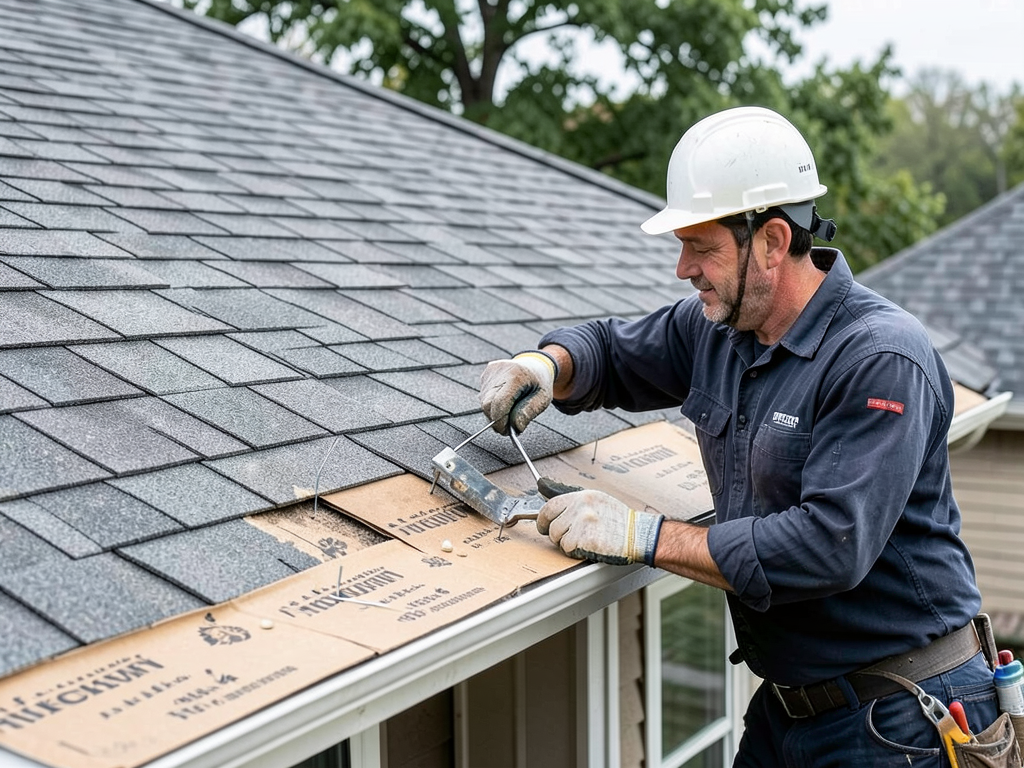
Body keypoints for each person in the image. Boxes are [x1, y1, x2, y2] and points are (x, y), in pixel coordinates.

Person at [478, 106, 1000, 766]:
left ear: (774, 241)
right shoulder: (721, 330)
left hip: (904, 718)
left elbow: (827, 545)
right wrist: (547, 367)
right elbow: (611, 349)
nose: (682, 268)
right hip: (792, 706)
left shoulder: (879, 360)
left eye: (702, 247)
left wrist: (644, 536)